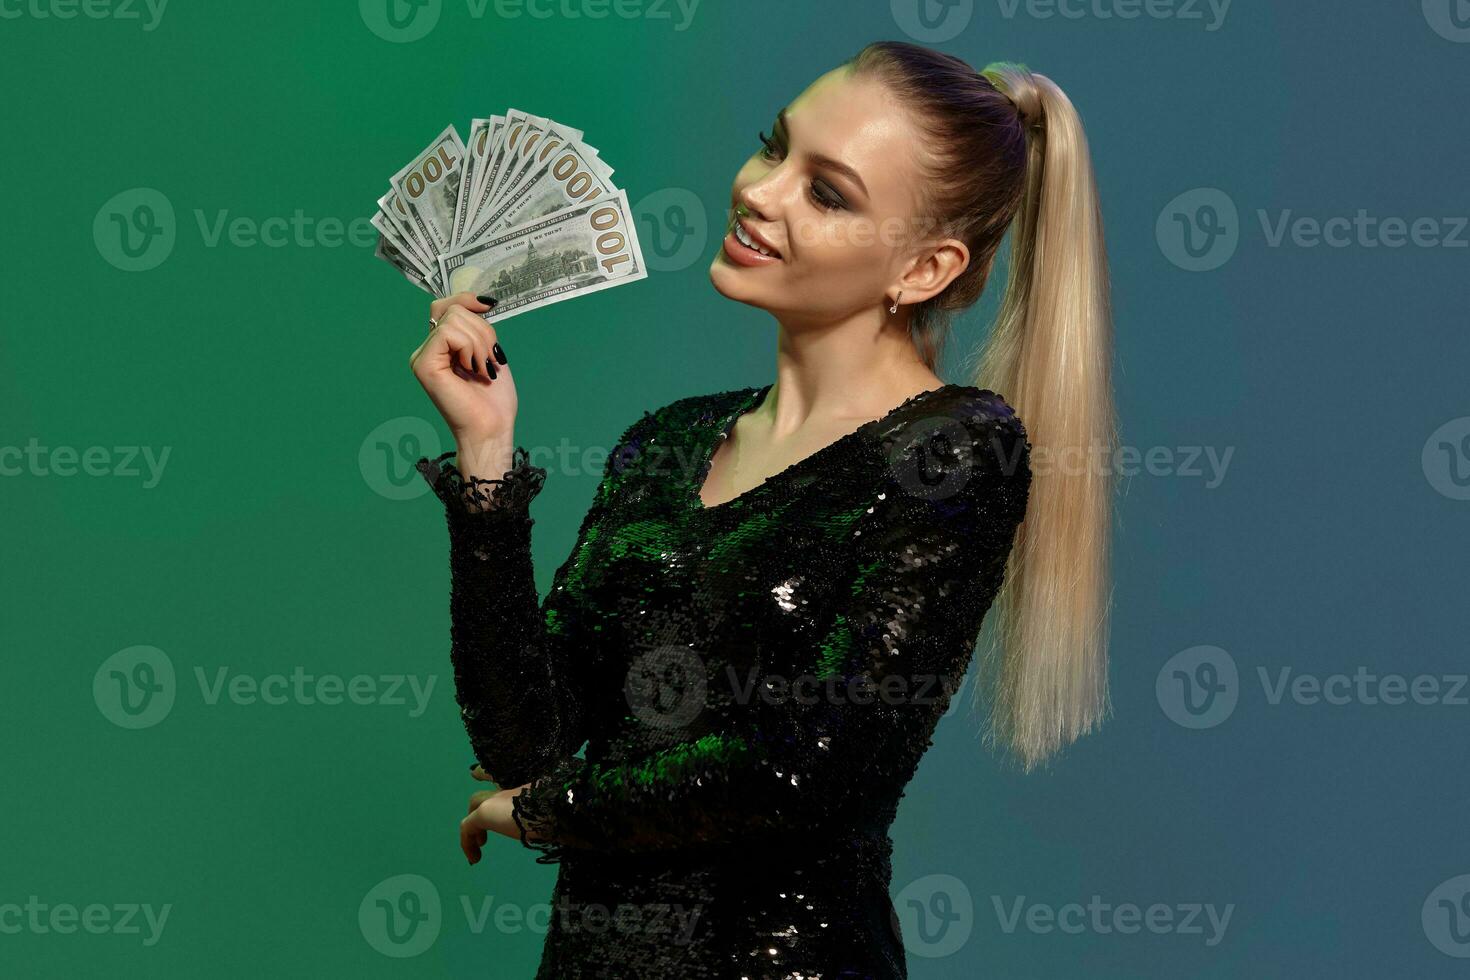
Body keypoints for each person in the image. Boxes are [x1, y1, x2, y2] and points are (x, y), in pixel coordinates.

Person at [407, 39, 1117, 980]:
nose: (761, 191)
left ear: (925, 267)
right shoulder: (665, 443)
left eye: (828, 192)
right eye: (773, 146)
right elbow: (526, 739)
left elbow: (804, 770)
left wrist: (547, 810)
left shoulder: (952, 452)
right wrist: (486, 462)